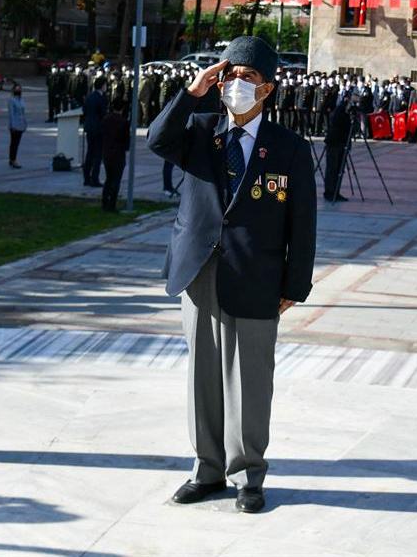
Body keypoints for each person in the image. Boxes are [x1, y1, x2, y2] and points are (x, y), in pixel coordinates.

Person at [147, 36, 317, 514]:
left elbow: (302, 223)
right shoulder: (201, 130)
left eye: (249, 78)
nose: (238, 84)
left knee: (250, 381)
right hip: (199, 271)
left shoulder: (289, 148)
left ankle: (248, 477)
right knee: (202, 377)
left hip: (258, 276)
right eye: (232, 76)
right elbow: (158, 138)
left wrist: (295, 285)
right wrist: (192, 91)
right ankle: (207, 470)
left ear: (267, 90)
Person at [100, 102, 130, 212]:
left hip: (107, 153)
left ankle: (104, 202)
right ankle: (112, 204)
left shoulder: (105, 119)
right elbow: (126, 141)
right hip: (118, 154)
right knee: (116, 180)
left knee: (108, 179)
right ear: (122, 109)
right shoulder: (124, 122)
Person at [82, 76, 109, 187]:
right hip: (98, 129)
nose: (106, 87)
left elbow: (84, 110)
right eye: (105, 85)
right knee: (98, 155)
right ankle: (95, 179)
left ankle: (86, 178)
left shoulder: (89, 97)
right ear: (102, 85)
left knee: (89, 153)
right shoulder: (101, 98)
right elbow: (103, 114)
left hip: (89, 128)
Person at [7, 83, 27, 168]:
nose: (18, 90)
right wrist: (12, 125)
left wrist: (25, 123)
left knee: (17, 143)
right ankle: (13, 159)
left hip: (21, 123)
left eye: (19, 89)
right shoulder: (11, 100)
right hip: (14, 124)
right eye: (16, 89)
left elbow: (23, 112)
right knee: (14, 143)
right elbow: (11, 114)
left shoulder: (22, 100)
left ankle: (12, 159)